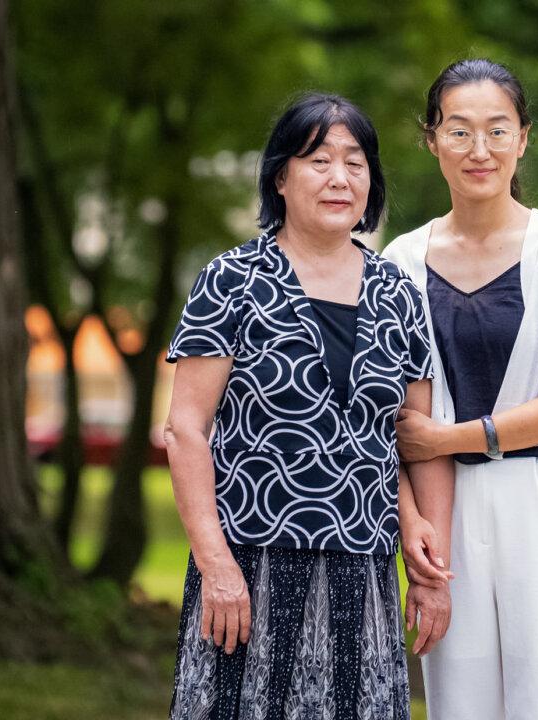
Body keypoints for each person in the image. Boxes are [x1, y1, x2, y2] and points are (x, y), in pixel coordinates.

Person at [163, 92, 454, 720]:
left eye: (355, 162)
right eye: (319, 159)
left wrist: (424, 561)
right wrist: (215, 563)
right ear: (280, 177)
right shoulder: (232, 279)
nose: (339, 177)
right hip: (250, 565)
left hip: (363, 573)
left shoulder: (397, 291)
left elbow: (402, 437)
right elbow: (186, 429)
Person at [382, 59, 538, 720]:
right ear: (431, 139)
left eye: (497, 130)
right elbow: (391, 420)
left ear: (523, 138)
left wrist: (449, 438)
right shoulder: (399, 260)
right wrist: (414, 522)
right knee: (460, 698)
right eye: (458, 131)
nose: (479, 150)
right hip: (447, 507)